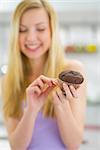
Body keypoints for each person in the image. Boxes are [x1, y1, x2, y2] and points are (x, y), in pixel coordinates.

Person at [2, 0, 87, 150]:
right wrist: (32, 109)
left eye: (40, 29)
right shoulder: (7, 81)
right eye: (22, 30)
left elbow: (74, 145)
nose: (31, 38)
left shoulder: (74, 69)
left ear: (52, 31)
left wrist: (61, 105)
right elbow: (16, 147)